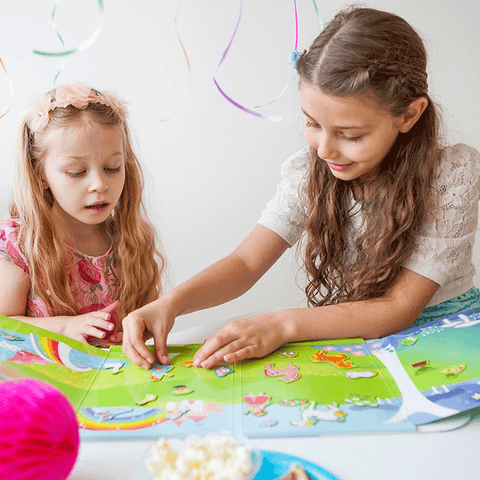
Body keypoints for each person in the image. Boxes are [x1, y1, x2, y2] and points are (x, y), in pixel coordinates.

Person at [122, 6, 480, 369]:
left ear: (408, 115)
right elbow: (246, 263)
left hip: (448, 336)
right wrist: (170, 303)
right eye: (312, 124)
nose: (324, 149)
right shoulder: (309, 173)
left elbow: (398, 309)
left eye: (350, 135)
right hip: (358, 338)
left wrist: (280, 323)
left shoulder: (451, 175)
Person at [0, 81, 164, 345]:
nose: (99, 184)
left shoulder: (129, 238)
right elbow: (4, 326)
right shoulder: (19, 247)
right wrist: (66, 328)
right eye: (76, 172)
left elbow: (150, 314)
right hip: (45, 382)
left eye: (112, 167)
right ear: (40, 174)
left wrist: (140, 328)